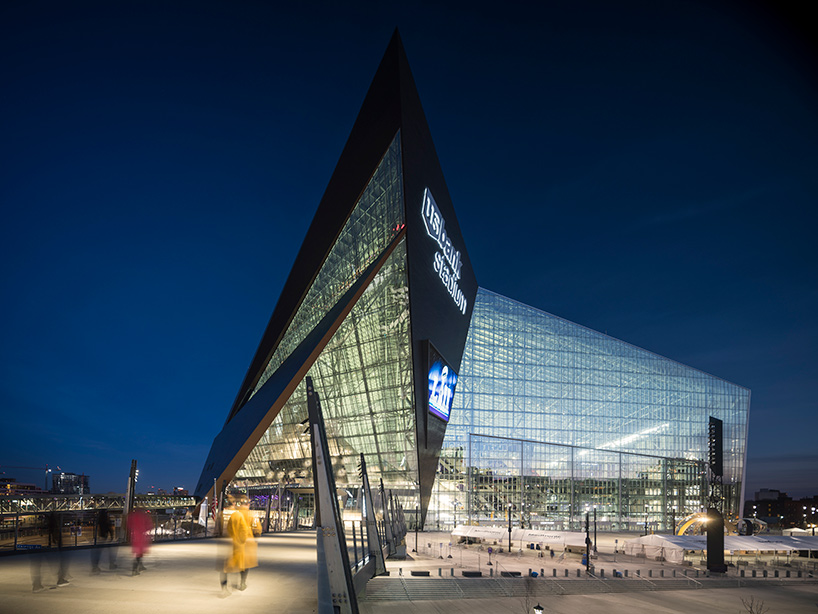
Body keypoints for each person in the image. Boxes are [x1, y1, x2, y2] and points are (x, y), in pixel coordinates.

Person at [220, 498, 258, 595]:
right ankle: (242, 583)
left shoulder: (234, 515)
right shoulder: (250, 514)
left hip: (233, 543)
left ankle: (225, 587)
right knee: (244, 565)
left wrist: (232, 537)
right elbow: (257, 528)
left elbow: (228, 528)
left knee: (227, 566)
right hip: (244, 544)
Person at [91, 508, 117, 573]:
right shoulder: (106, 519)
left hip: (100, 536)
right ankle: (111, 564)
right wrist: (111, 536)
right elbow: (109, 528)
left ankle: (95, 567)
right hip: (105, 536)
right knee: (111, 551)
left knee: (98, 552)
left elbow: (97, 528)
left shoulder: (99, 519)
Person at [128, 508, 152, 576]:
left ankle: (139, 566)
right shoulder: (144, 515)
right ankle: (135, 568)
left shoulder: (132, 515)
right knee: (139, 553)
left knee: (138, 552)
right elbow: (149, 524)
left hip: (135, 535)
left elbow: (129, 524)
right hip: (141, 535)